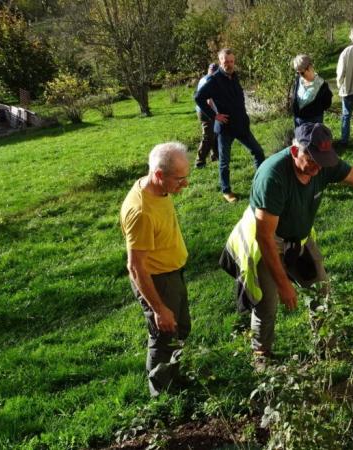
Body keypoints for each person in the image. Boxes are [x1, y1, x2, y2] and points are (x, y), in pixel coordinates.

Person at [220, 123, 353, 364]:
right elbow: (264, 238)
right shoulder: (272, 176)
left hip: (299, 240)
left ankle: (328, 348)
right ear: (296, 152)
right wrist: (284, 284)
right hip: (266, 242)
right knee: (267, 303)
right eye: (313, 159)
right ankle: (261, 355)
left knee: (320, 291)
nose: (319, 167)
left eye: (324, 160)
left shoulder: (323, 165)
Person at [120, 142, 192, 396]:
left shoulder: (158, 188)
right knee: (164, 334)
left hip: (172, 273)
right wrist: (158, 308)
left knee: (180, 328)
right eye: (180, 179)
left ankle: (174, 378)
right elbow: (136, 267)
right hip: (156, 280)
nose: (185, 184)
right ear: (159, 174)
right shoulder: (141, 212)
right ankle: (161, 395)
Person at [196, 48, 266, 203]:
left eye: (231, 61)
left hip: (241, 125)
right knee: (224, 162)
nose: (229, 64)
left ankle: (261, 183)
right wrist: (215, 116)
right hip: (225, 128)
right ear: (220, 61)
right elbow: (199, 98)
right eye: (225, 61)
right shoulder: (213, 80)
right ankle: (226, 191)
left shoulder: (234, 76)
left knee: (258, 152)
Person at [289, 54, 332, 127]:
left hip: (314, 122)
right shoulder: (298, 80)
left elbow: (327, 104)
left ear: (309, 67)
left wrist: (314, 109)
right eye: (297, 73)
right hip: (298, 121)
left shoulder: (322, 85)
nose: (300, 75)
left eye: (302, 73)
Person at [193, 63, 219, 168]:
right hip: (206, 111)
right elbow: (209, 101)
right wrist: (215, 114)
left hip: (201, 110)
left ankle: (215, 156)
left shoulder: (203, 78)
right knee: (208, 136)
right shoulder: (210, 80)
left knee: (214, 133)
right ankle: (199, 162)